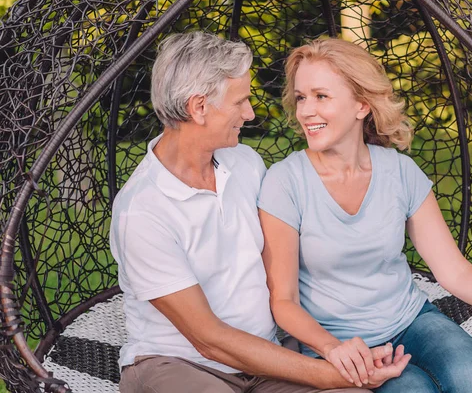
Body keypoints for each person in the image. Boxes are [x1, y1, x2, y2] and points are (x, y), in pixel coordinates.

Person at [258, 38, 472, 392]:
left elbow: (453, 270)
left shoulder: (400, 172)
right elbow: (283, 301)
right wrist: (331, 347)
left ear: (361, 105)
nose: (305, 111)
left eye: (320, 96)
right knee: (414, 389)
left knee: (470, 375)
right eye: (300, 97)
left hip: (410, 320)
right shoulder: (285, 181)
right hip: (339, 343)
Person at [110, 31, 409, 393]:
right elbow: (209, 340)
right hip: (180, 364)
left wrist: (337, 349)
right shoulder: (142, 211)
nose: (249, 114)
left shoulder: (246, 164)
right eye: (240, 102)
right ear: (199, 107)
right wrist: (332, 374)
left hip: (264, 358)